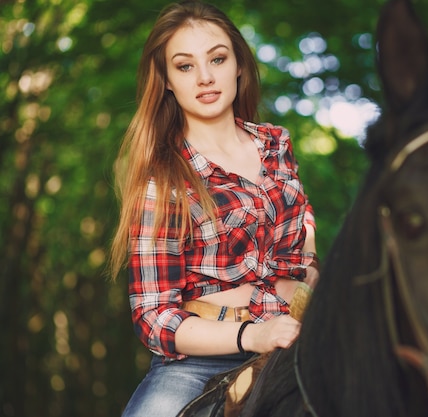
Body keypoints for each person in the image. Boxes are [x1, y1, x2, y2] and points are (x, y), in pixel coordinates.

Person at [109, 1, 319, 415]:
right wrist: (253, 337)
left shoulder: (276, 145)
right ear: (167, 80)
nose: (205, 77)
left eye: (217, 59)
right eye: (185, 66)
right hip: (202, 361)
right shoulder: (163, 179)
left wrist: (311, 277)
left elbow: (303, 233)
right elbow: (154, 317)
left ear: (238, 64)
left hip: (304, 334)